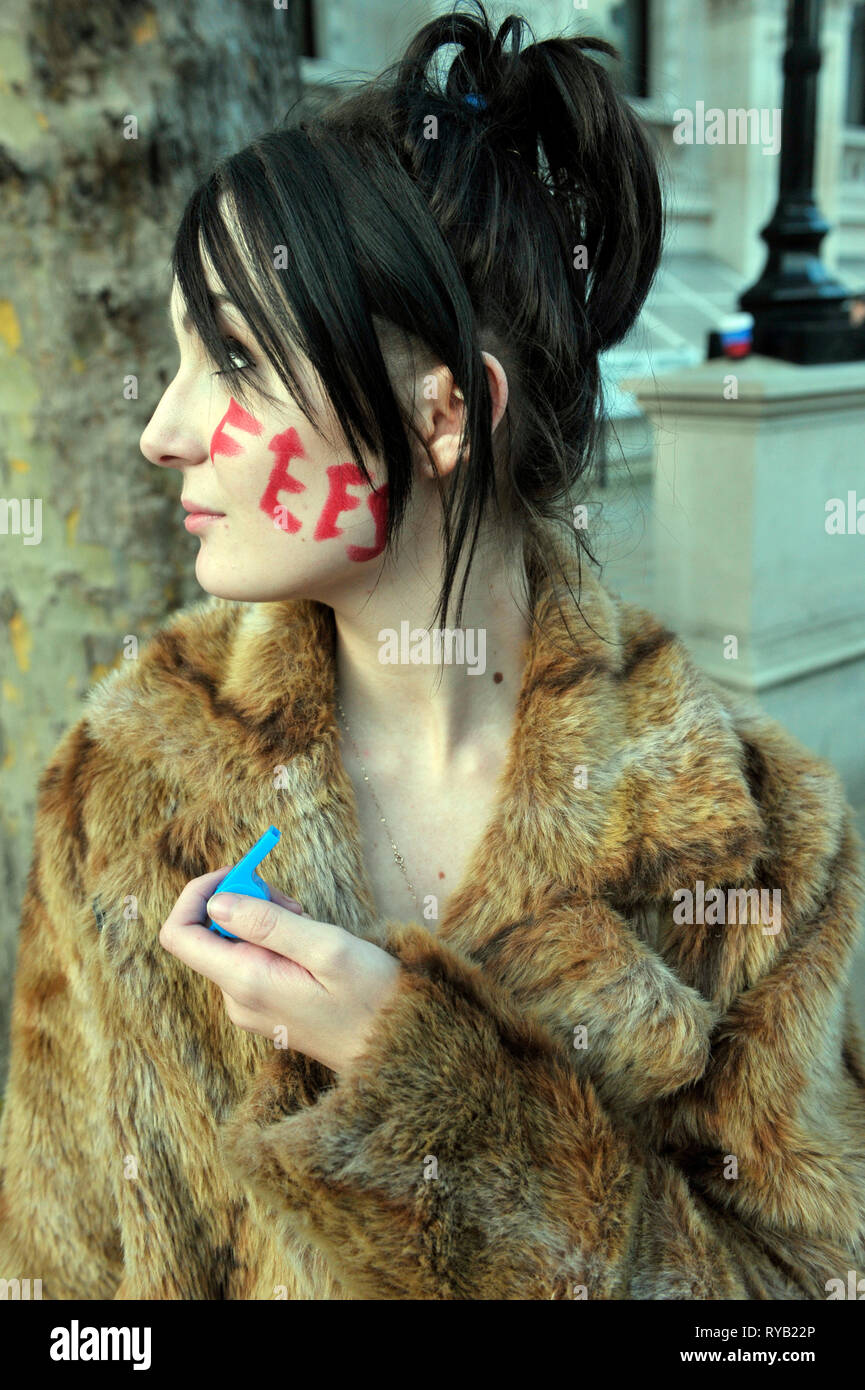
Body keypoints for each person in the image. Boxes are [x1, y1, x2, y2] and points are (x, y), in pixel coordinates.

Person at [1, 0, 864, 1301]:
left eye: (231, 359)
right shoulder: (123, 783)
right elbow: (54, 1286)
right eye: (176, 360)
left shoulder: (757, 843)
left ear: (444, 410)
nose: (164, 430)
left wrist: (435, 1105)